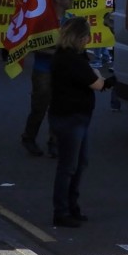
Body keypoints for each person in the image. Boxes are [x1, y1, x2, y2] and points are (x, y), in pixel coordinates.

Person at [49, 17, 115, 227]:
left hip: (73, 116)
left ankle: (71, 206)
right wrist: (105, 78)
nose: (89, 39)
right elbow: (97, 84)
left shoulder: (68, 56)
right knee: (69, 166)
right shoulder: (71, 59)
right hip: (71, 117)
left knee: (78, 163)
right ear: (79, 37)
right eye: (86, 35)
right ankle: (62, 211)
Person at [21, 0, 74, 158]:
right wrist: (59, 52)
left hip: (62, 71)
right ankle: (29, 137)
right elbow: (34, 47)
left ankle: (54, 141)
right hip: (43, 70)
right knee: (40, 107)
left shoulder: (71, 20)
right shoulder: (44, 21)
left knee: (59, 107)